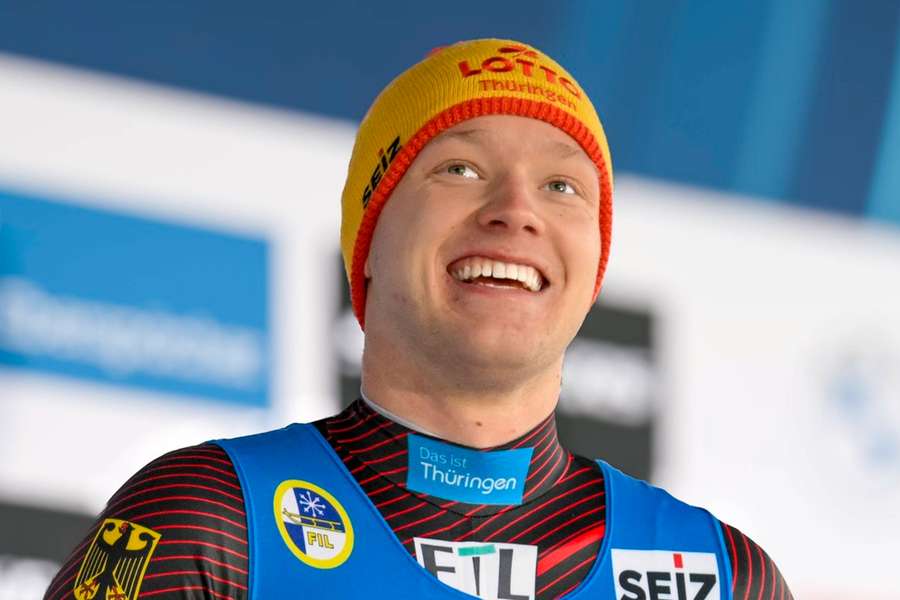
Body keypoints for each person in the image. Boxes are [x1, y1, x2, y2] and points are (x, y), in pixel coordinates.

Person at [45, 39, 793, 600]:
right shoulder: (207, 521)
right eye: (460, 169)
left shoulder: (724, 576)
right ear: (369, 242)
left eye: (563, 184)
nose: (516, 212)